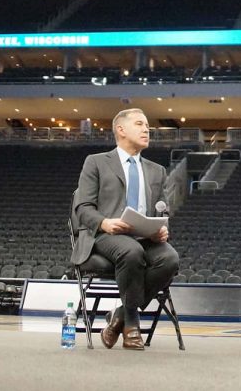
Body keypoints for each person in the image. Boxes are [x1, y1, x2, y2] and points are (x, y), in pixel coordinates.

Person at [71, 108, 179, 351]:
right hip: (105, 234)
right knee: (131, 252)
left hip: (144, 237)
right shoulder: (96, 162)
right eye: (139, 124)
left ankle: (120, 313)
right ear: (120, 130)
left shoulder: (157, 170)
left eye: (147, 126)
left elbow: (161, 210)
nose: (146, 129)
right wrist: (104, 222)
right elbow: (83, 208)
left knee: (170, 259)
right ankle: (132, 324)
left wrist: (161, 228)